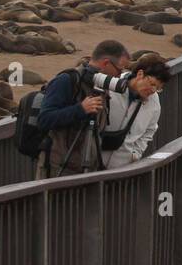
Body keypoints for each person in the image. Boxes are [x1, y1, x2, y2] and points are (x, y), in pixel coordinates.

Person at [37, 39, 132, 177]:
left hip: (89, 168)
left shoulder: (101, 88)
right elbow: (44, 119)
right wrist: (80, 109)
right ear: (106, 63)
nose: (119, 76)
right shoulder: (66, 81)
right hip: (59, 169)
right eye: (119, 70)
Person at [100, 55, 171, 169]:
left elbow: (150, 129)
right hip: (95, 161)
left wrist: (135, 154)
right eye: (152, 84)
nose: (153, 90)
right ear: (140, 74)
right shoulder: (112, 86)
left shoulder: (154, 101)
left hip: (122, 168)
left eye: (158, 88)